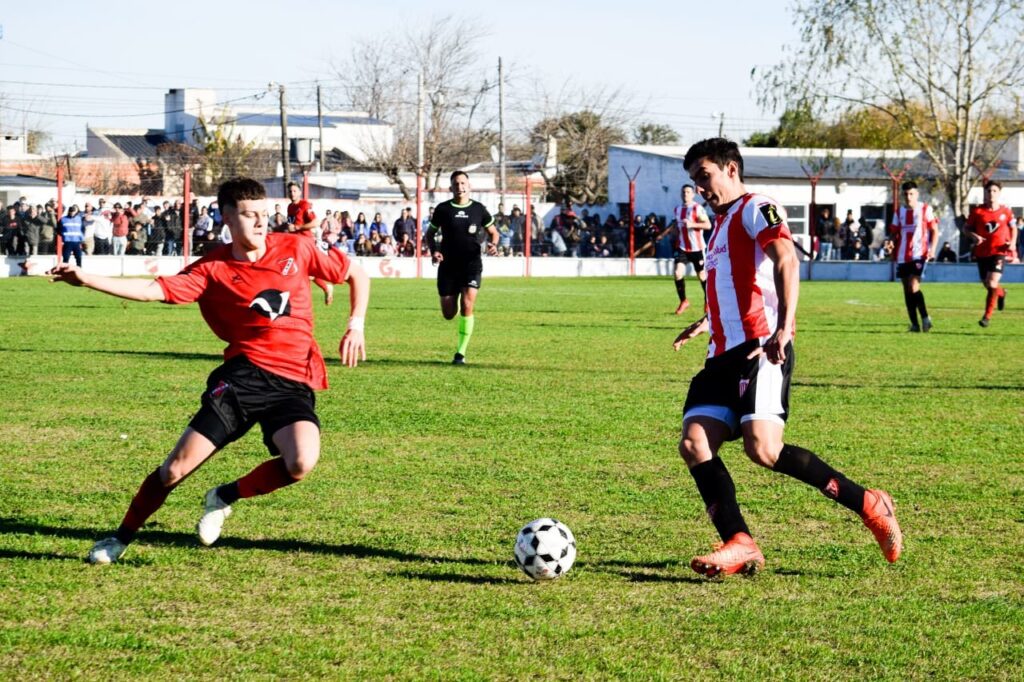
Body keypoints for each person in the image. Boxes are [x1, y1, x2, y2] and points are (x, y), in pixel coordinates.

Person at [48, 177, 370, 565]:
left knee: (301, 463)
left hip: (293, 382)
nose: (260, 223)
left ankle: (223, 497)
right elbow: (154, 290)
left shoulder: (297, 247)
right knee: (174, 470)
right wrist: (86, 279)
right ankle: (119, 537)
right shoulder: (213, 268)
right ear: (227, 217)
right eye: (249, 215)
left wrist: (356, 325)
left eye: (263, 215)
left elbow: (357, 274)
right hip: (242, 379)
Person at [672, 138, 902, 578]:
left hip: (761, 346)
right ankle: (739, 542)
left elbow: (786, 261)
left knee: (764, 448)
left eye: (705, 177)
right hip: (720, 354)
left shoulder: (757, 207)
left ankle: (869, 503)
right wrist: (707, 320)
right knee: (694, 443)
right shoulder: (718, 226)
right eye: (694, 182)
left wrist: (786, 326)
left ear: (731, 169)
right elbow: (736, 285)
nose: (701, 188)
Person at [424, 170, 499, 365]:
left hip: (471, 264)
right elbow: (429, 235)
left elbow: (493, 232)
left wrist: (493, 244)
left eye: (463, 183)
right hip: (448, 265)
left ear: (469, 186)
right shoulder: (443, 209)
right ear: (451, 188)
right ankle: (454, 299)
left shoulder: (479, 209)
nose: (460, 187)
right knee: (449, 314)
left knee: (467, 305)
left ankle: (460, 353)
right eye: (456, 184)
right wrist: (434, 251)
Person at [963, 180, 1017, 327]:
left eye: (994, 191)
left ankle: (986, 317)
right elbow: (966, 228)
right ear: (984, 193)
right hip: (982, 253)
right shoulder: (977, 212)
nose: (991, 193)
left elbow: (1014, 228)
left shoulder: (1006, 211)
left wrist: (1012, 242)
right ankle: (1001, 293)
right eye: (988, 191)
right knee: (988, 284)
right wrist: (974, 236)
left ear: (999, 193)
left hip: (999, 251)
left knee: (992, 282)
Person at [889, 181, 939, 332]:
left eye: (911, 194)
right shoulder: (899, 212)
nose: (909, 197)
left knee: (913, 286)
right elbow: (894, 233)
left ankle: (925, 318)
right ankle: (915, 325)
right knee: (907, 290)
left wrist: (933, 249)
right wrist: (890, 243)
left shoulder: (925, 209)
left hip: (920, 253)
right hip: (903, 255)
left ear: (917, 194)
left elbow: (934, 230)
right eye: (906, 194)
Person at [287, 181, 334, 305]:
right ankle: (324, 288)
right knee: (304, 273)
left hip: (305, 243)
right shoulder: (290, 207)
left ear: (300, 192)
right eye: (290, 191)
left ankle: (299, 299)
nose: (292, 193)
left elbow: (316, 222)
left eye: (294, 191)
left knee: (301, 272)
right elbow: (291, 225)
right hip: (294, 244)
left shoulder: (305, 205)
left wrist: (297, 228)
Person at [670, 184, 712, 314]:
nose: (685, 194)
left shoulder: (697, 208)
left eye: (688, 192)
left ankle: (708, 301)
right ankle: (684, 301)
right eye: (683, 192)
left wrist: (692, 224)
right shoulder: (677, 209)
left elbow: (708, 225)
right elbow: (677, 227)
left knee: (702, 276)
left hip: (697, 248)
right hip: (682, 247)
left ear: (693, 194)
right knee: (677, 273)